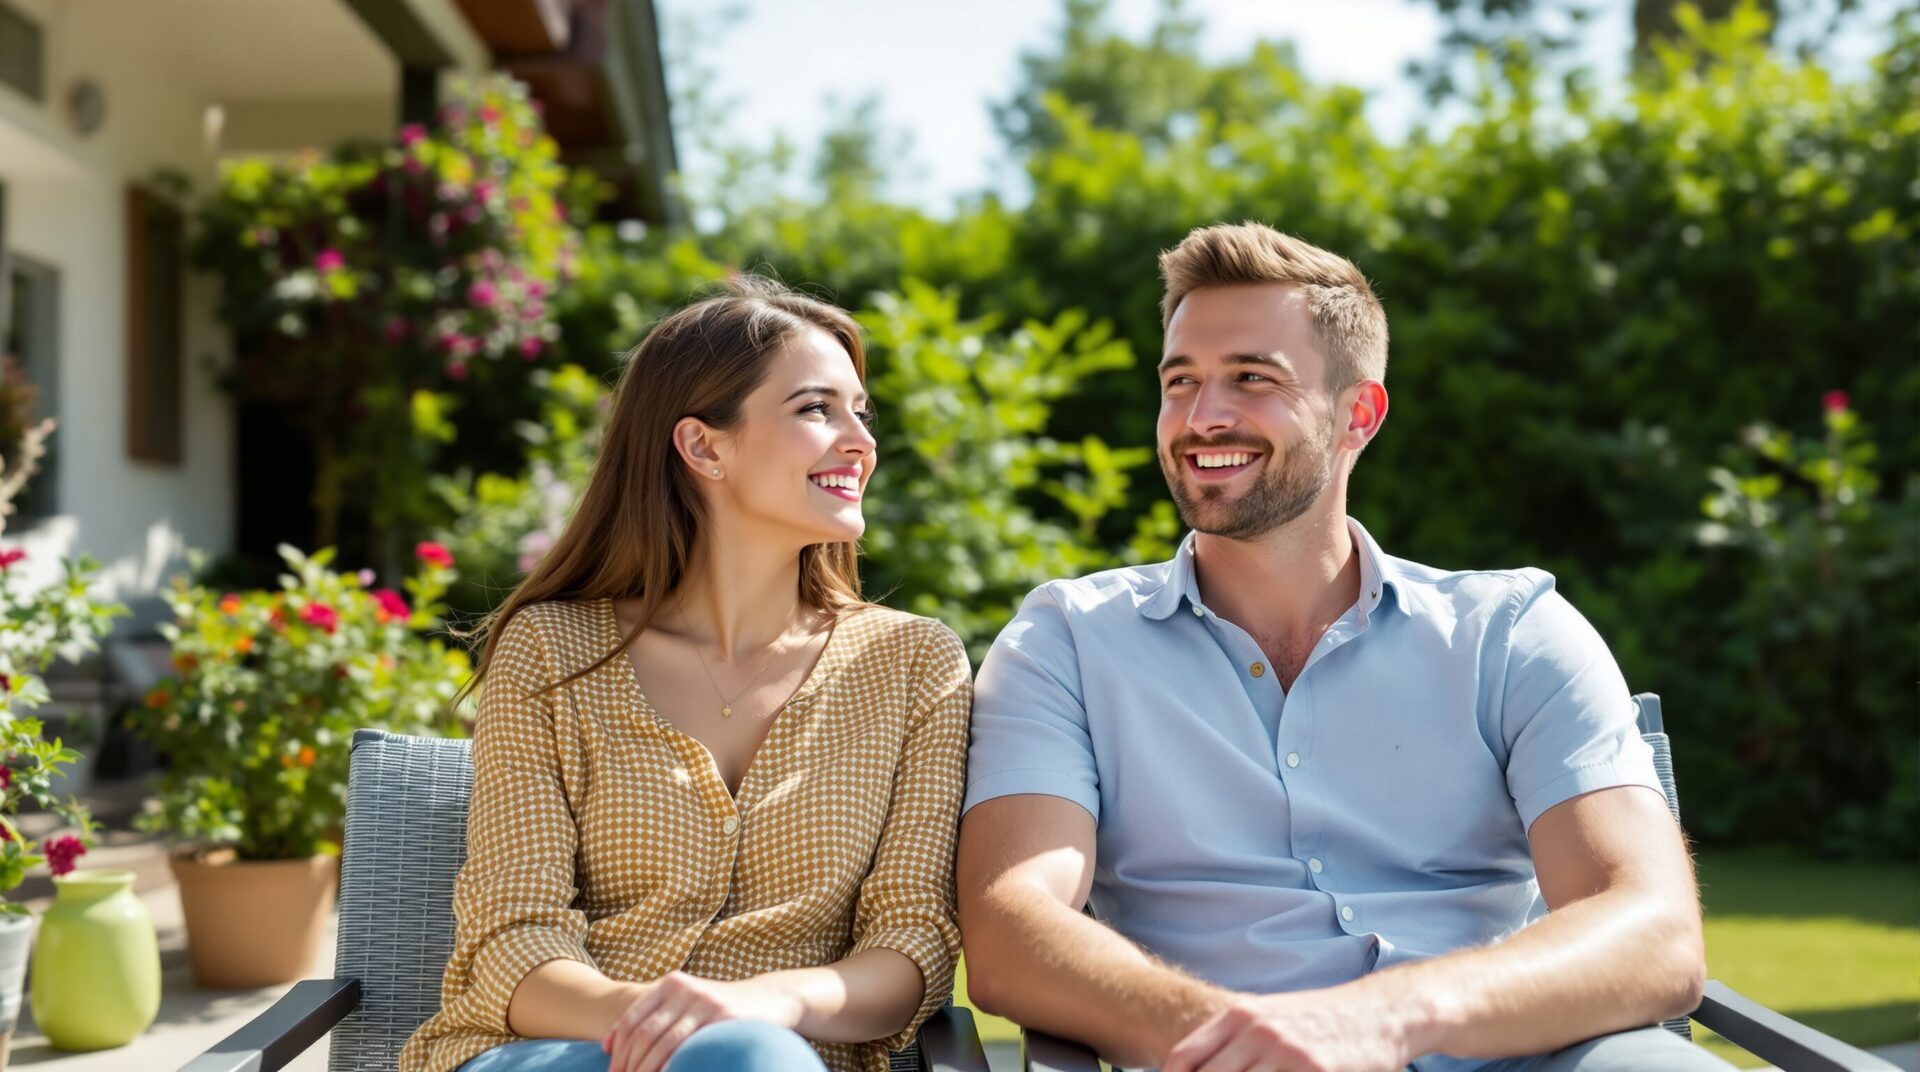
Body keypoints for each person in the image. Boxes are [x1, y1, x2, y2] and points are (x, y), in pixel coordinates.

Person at [955, 222, 1729, 1071]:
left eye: (1251, 378)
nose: (1202, 417)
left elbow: (1653, 930)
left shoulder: (1510, 633)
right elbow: (1011, 928)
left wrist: (1380, 1021)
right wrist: (1248, 1044)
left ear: (1357, 413)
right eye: (1181, 383)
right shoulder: (1066, 640)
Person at [400, 278, 972, 1072]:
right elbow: (511, 942)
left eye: (861, 412)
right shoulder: (551, 650)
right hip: (551, 1054)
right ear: (704, 447)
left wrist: (760, 1011)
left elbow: (912, 944)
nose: (859, 441)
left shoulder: (914, 665)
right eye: (817, 409)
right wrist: (676, 1028)